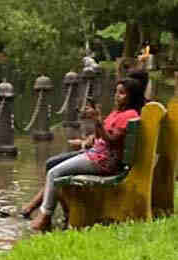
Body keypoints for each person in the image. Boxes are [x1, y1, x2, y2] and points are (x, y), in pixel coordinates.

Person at [21, 77, 145, 231]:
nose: (116, 96)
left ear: (132, 96)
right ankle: (60, 211)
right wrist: (94, 125)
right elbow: (101, 137)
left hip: (103, 160)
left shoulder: (129, 115)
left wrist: (98, 121)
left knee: (54, 172)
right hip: (98, 154)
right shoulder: (118, 112)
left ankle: (45, 217)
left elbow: (112, 140)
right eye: (116, 92)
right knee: (54, 167)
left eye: (122, 93)